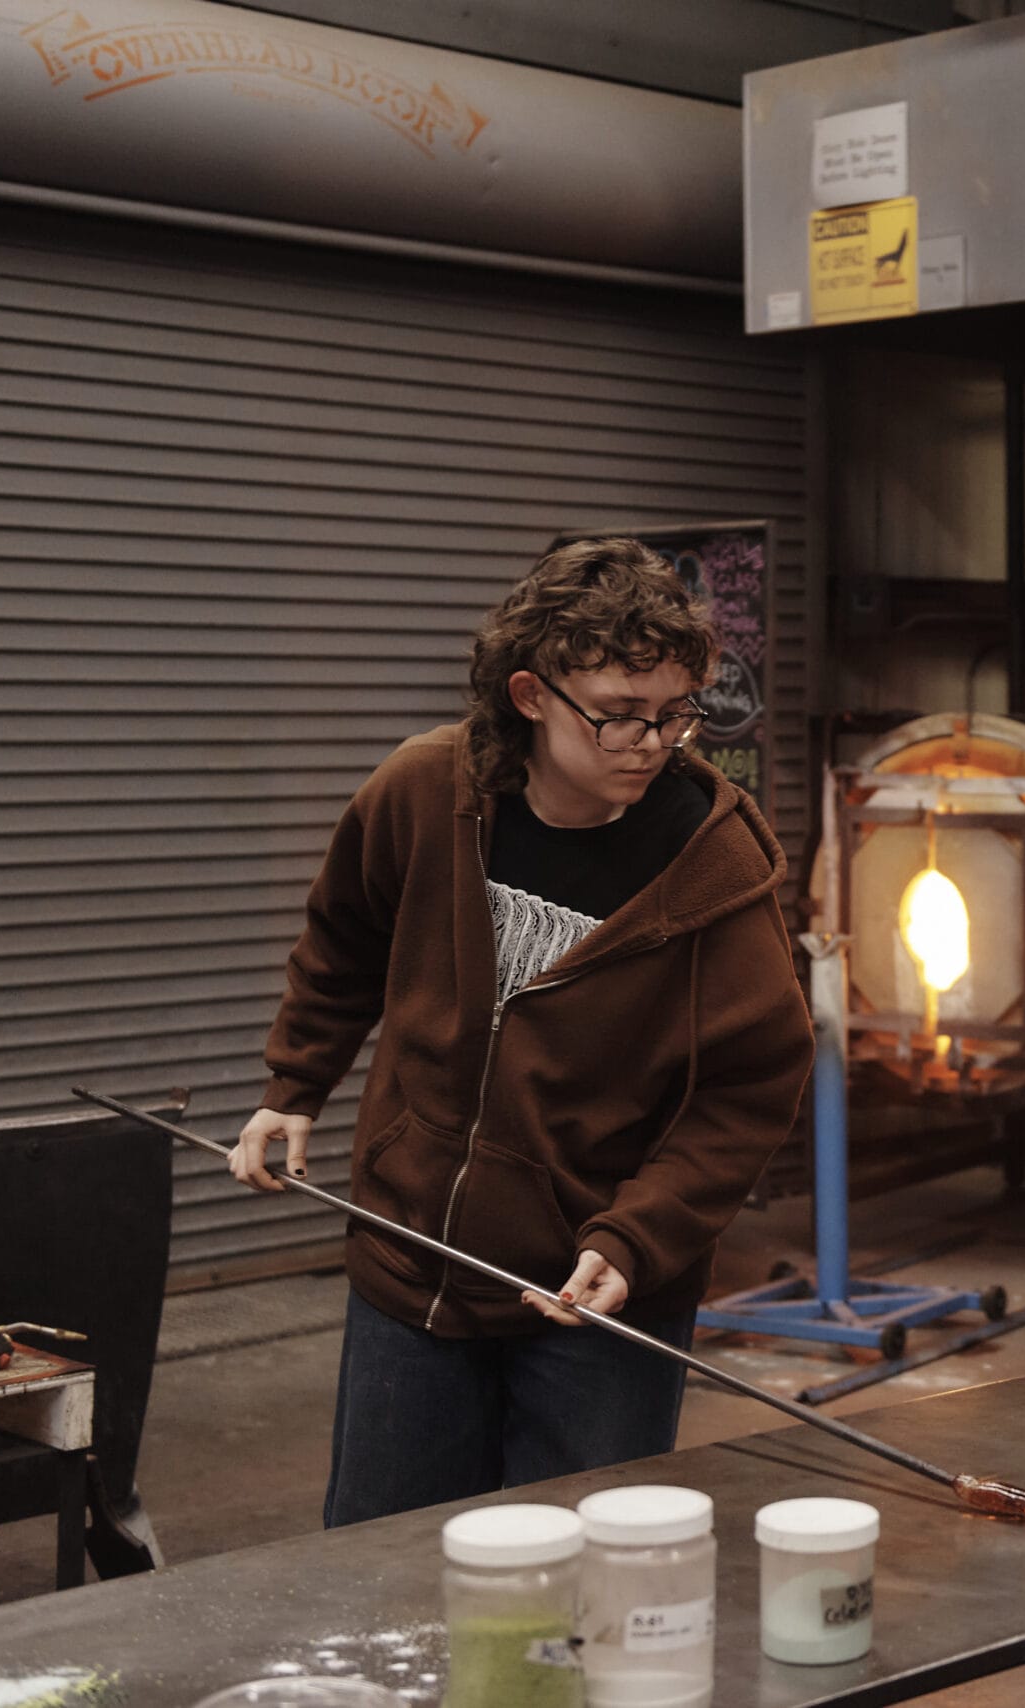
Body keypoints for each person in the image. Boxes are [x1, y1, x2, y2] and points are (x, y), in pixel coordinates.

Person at [233, 537, 814, 1527]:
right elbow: (344, 938)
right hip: (410, 1257)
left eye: (674, 713)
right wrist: (293, 1086)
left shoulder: (710, 861)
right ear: (531, 694)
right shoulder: (424, 792)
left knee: (579, 1587)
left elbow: (749, 1084)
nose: (649, 742)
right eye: (617, 716)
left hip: (598, 1291)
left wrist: (641, 1235)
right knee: (381, 1571)